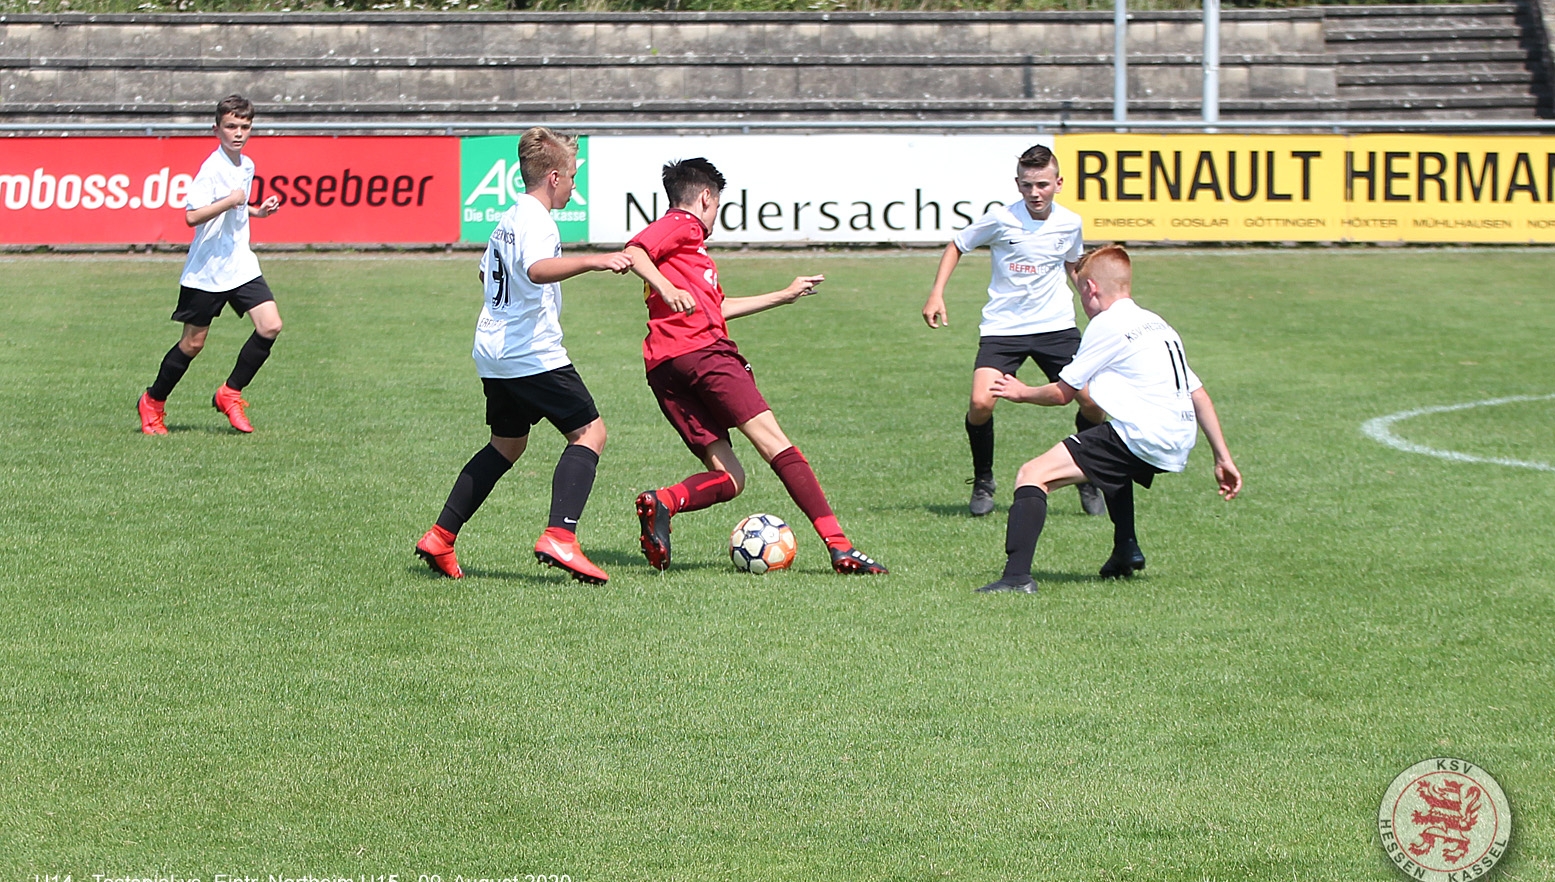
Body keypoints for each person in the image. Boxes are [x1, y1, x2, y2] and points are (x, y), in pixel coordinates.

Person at [624, 158, 885, 576]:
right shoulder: (683, 225)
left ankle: (664, 502)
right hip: (704, 354)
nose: (714, 215)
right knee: (775, 443)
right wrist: (668, 289)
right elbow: (634, 251)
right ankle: (840, 546)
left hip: (665, 367)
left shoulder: (688, 253)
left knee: (731, 477)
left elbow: (717, 307)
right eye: (717, 205)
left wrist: (783, 295)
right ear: (706, 197)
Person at [414, 128, 634, 584]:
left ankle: (440, 536)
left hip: (493, 350)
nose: (574, 186)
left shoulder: (509, 217)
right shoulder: (538, 221)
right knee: (590, 432)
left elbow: (486, 275)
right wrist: (594, 260)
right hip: (530, 352)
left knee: (507, 445)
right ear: (553, 177)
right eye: (571, 177)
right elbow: (535, 270)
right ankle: (560, 536)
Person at [975, 245, 1241, 593]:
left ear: (1091, 288)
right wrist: (1223, 458)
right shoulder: (1157, 324)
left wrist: (1021, 391)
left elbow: (1062, 394)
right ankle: (1126, 550)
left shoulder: (1107, 324)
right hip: (1177, 436)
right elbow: (1199, 394)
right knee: (1112, 459)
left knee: (1033, 474)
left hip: (1146, 435)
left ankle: (1016, 578)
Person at [922, 143, 1108, 518]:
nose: (1034, 193)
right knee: (980, 404)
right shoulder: (1001, 219)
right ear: (1017, 184)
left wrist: (1094, 304)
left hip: (1056, 327)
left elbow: (1072, 263)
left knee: (1093, 401)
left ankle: (1086, 475)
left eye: (1042, 184)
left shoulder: (1070, 222)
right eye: (1027, 185)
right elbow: (957, 245)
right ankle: (983, 480)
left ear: (1058, 183)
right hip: (1004, 328)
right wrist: (936, 293)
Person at [137, 94, 284, 436]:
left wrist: (257, 211)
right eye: (231, 126)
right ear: (216, 129)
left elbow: (238, 206)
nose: (238, 133)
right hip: (208, 270)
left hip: (240, 264)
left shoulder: (246, 165)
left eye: (244, 126)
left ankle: (230, 393)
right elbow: (192, 216)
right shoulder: (211, 169)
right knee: (193, 344)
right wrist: (229, 200)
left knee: (270, 326)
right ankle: (153, 401)